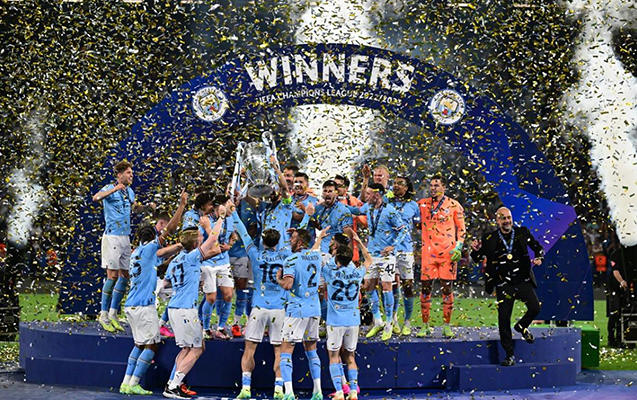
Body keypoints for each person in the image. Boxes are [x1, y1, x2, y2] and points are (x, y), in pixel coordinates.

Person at [119, 191, 187, 395]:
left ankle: (126, 383)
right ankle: (134, 383)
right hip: (143, 306)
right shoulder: (149, 249)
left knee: (139, 344)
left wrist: (176, 252)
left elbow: (160, 261)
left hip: (131, 305)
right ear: (152, 239)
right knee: (152, 345)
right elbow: (170, 229)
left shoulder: (137, 254)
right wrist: (181, 205)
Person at [470, 206, 543, 366]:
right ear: (497, 221)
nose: (507, 221)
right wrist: (474, 251)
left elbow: (538, 247)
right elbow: (477, 258)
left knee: (535, 308)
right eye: (503, 218)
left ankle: (521, 326)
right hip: (504, 284)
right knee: (503, 319)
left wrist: (539, 257)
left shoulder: (522, 232)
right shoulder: (489, 238)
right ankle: (509, 355)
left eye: (509, 217)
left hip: (522, 281)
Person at [163, 213, 225, 399]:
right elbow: (213, 238)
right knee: (197, 349)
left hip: (174, 308)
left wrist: (190, 284)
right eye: (199, 236)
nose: (202, 237)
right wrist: (221, 217)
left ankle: (172, 383)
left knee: (187, 348)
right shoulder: (192, 257)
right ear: (195, 243)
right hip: (185, 310)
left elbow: (166, 283)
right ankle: (173, 386)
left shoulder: (176, 260)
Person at [232, 205, 291, 399]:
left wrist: (233, 212)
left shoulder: (255, 255)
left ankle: (245, 388)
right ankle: (278, 389)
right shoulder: (286, 255)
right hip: (279, 310)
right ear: (278, 242)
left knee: (250, 349)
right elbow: (297, 240)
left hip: (258, 308)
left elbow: (243, 233)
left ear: (263, 241)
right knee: (279, 351)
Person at [92, 160, 154, 333]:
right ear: (119, 175)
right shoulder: (109, 188)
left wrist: (147, 208)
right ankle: (103, 315)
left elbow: (135, 209)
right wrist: (114, 190)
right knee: (112, 276)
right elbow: (95, 198)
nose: (131, 175)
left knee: (125, 275)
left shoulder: (130, 191)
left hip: (125, 237)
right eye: (128, 173)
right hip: (112, 237)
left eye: (132, 173)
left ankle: (113, 313)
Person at [348, 183, 407, 340]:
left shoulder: (390, 210)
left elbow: (403, 230)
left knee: (386, 287)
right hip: (371, 255)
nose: (366, 197)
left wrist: (393, 246)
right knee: (368, 286)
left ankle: (389, 323)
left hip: (387, 256)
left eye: (369, 194)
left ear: (377, 194)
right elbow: (356, 210)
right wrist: (340, 205)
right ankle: (378, 321)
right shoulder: (368, 207)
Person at [276, 228, 324, 400]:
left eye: (294, 238)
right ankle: (317, 391)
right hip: (314, 309)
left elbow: (287, 285)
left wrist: (278, 279)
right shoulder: (317, 257)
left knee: (286, 350)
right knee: (312, 350)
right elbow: (314, 249)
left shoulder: (291, 260)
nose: (290, 240)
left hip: (296, 310)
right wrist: (318, 237)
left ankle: (288, 392)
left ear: (300, 242)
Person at [323, 233, 373, 400]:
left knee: (334, 356)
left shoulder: (329, 272)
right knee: (350, 356)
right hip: (353, 321)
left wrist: (322, 240)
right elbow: (369, 259)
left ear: (337, 258)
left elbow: (318, 258)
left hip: (335, 321)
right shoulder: (358, 273)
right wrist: (359, 242)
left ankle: (338, 391)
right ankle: (353, 391)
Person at [416, 175, 466, 338]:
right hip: (428, 254)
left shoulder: (454, 205)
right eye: (431, 185)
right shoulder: (422, 204)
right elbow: (409, 214)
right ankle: (425, 325)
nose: (433, 188)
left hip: (447, 254)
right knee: (425, 288)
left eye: (436, 185)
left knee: (447, 288)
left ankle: (446, 325)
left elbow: (462, 229)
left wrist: (459, 246)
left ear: (444, 187)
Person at [201, 195, 237, 340]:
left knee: (228, 295)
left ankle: (221, 328)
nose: (232, 207)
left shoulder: (230, 218)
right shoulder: (205, 220)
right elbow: (209, 239)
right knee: (211, 298)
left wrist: (230, 244)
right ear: (220, 207)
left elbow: (233, 234)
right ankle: (205, 329)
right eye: (228, 204)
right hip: (208, 262)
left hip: (224, 261)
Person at [390, 176, 420, 335]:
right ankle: (393, 319)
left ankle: (407, 321)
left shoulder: (413, 206)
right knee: (391, 285)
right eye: (394, 183)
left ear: (407, 187)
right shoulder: (387, 202)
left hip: (406, 250)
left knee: (408, 285)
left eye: (400, 183)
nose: (396, 186)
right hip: (389, 249)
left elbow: (419, 225)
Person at [229, 198, 259, 338]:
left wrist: (240, 233)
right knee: (222, 292)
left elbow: (253, 231)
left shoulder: (249, 207)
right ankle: (215, 326)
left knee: (244, 288)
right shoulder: (222, 209)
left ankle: (242, 323)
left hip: (243, 253)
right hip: (222, 254)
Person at [607, 247, 630, 348]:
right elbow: (615, 271)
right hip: (615, 287)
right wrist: (622, 281)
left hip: (628, 287)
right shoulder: (616, 254)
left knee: (626, 312)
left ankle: (623, 338)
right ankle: (611, 338)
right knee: (615, 312)